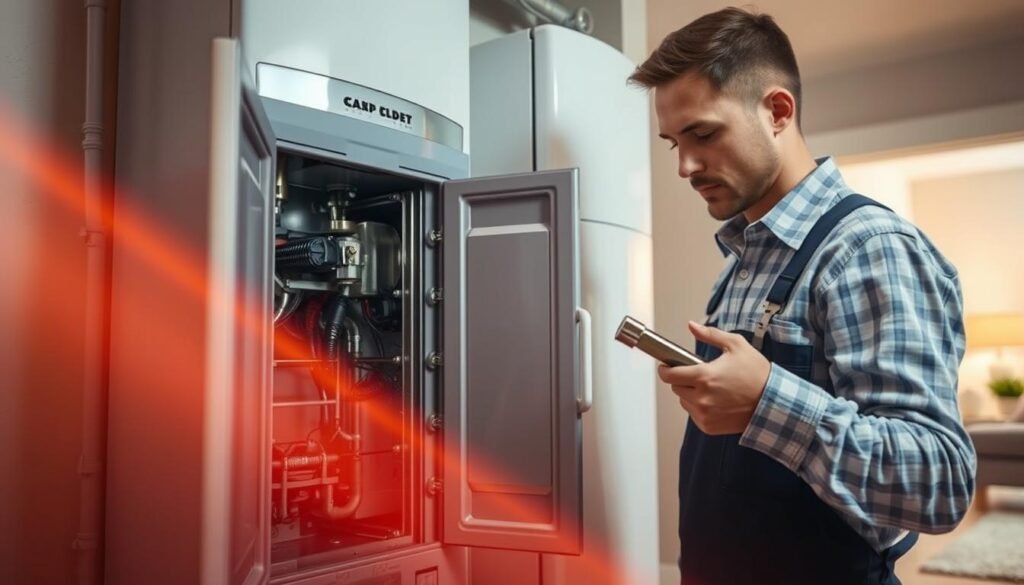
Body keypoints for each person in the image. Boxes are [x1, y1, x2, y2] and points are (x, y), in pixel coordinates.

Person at [628, 7, 976, 585]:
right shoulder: (742, 260)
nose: (686, 165)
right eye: (673, 144)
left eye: (704, 134)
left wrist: (768, 400)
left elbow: (938, 484)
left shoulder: (869, 248)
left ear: (777, 111)